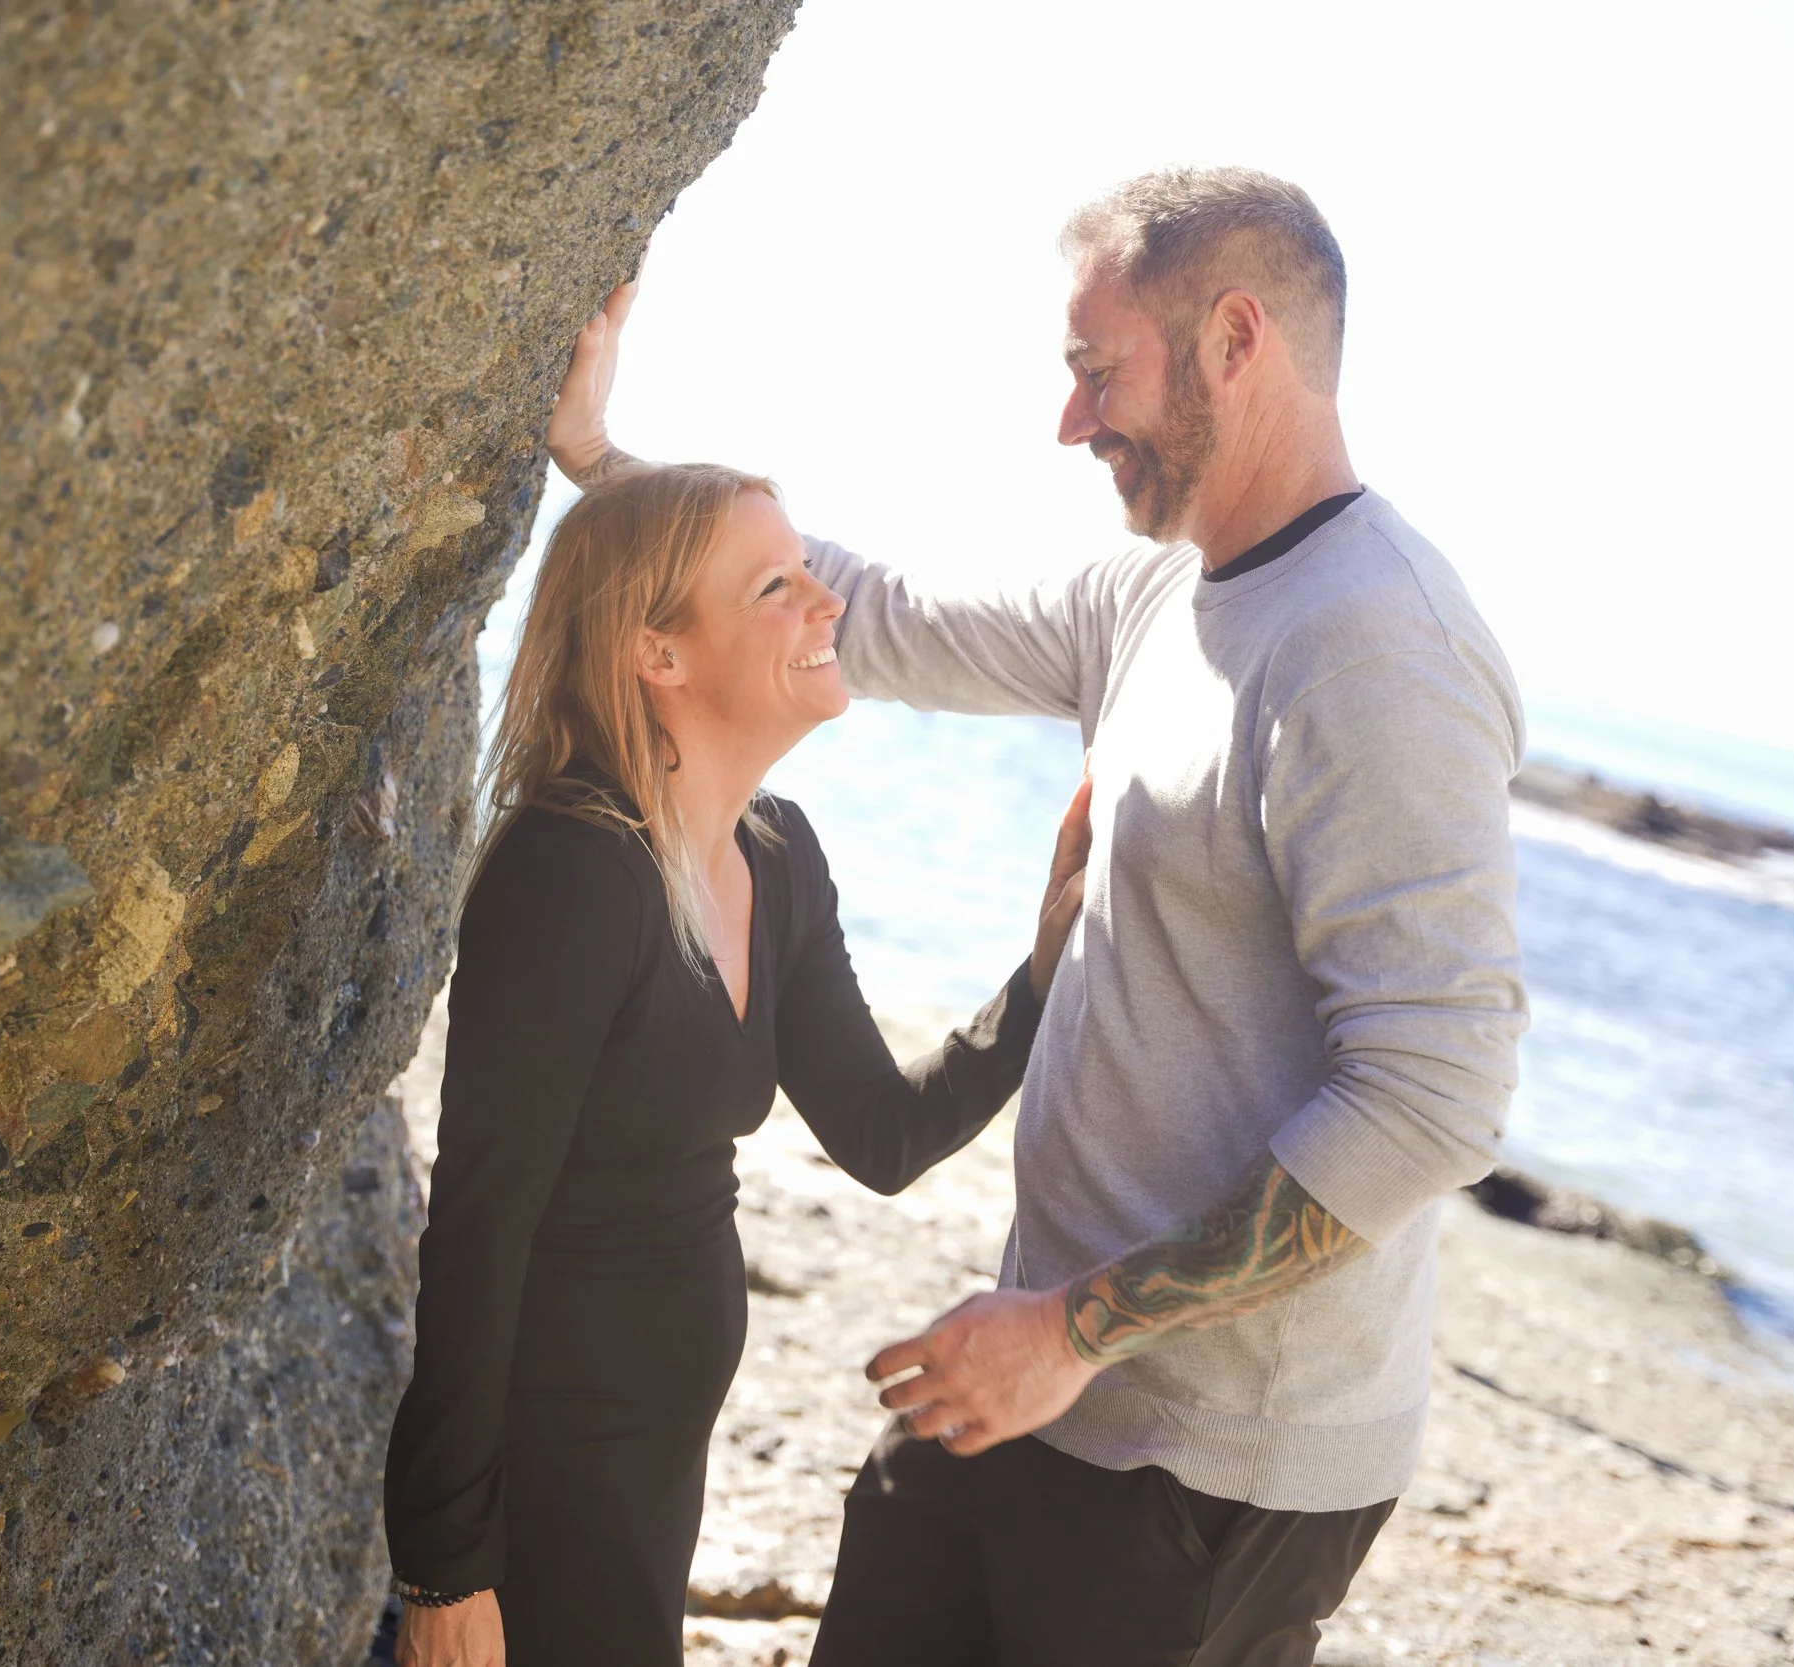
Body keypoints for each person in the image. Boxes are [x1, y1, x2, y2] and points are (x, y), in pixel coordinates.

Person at [547, 166, 1527, 1665]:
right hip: (1037, 1375)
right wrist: (599, 458)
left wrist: (1074, 1330)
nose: (1070, 422)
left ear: (1236, 340)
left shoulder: (1376, 645)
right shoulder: (1155, 590)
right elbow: (863, 611)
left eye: (1095, 371)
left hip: (1209, 1464)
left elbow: (1437, 1091)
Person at [382, 461, 1093, 1667]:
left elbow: (879, 1131)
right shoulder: (566, 873)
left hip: (660, 1450)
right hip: (551, 1458)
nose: (827, 602)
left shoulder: (779, 854)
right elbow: (476, 1228)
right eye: (776, 583)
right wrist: (444, 1564)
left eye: (811, 572)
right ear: (659, 651)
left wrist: (1038, 980)